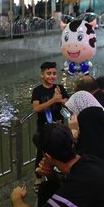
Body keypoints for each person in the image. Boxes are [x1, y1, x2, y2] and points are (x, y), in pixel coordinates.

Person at [31, 61, 69, 192]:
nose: (52, 76)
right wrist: (53, 100)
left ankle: (56, 175)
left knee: (60, 150)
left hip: (59, 127)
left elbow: (68, 103)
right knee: (41, 153)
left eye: (54, 73)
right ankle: (38, 179)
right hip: (44, 128)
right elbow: (36, 108)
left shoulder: (60, 88)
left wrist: (61, 100)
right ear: (42, 75)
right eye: (48, 73)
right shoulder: (37, 91)